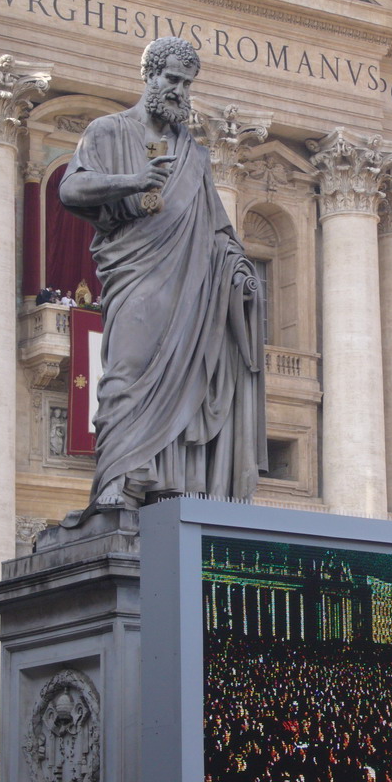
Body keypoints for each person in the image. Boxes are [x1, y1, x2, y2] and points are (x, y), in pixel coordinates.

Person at [59, 36, 266, 522]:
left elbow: (217, 225)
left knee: (189, 374)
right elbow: (72, 188)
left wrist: (240, 273)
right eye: (171, 79)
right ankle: (115, 478)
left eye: (186, 83)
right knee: (127, 371)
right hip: (138, 272)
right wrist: (133, 181)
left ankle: (167, 484)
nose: (179, 90)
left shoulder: (192, 153)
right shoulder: (108, 131)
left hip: (191, 283)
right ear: (149, 76)